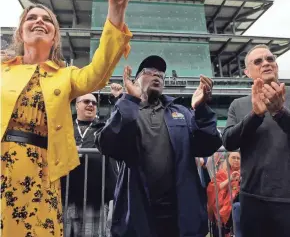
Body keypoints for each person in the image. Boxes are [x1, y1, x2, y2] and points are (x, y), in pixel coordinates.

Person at [1, 0, 138, 237]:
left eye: (47, 19)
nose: (39, 21)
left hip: (41, 173)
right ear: (20, 32)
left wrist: (117, 6)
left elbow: (98, 72)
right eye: (31, 18)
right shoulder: (2, 70)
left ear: (54, 37)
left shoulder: (65, 76)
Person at [95, 55, 222, 237]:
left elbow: (207, 145)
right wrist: (128, 101)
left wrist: (201, 111)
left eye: (161, 75)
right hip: (138, 209)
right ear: (136, 80)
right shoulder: (127, 110)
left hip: (179, 210)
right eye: (149, 72)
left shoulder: (181, 112)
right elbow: (107, 145)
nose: (156, 76)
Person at [222, 44, 290, 237]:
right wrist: (255, 115)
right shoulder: (239, 105)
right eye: (258, 61)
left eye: (270, 59)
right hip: (252, 199)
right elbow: (228, 142)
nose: (266, 63)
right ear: (247, 72)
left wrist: (280, 113)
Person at [62, 93, 118, 237]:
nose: (91, 105)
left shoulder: (104, 127)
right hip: (66, 195)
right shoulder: (65, 128)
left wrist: (117, 99)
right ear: (77, 105)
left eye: (94, 103)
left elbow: (121, 125)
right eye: (86, 101)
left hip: (95, 198)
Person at [207, 152, 241, 237]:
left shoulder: (245, 172)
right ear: (228, 159)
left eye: (238, 158)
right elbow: (214, 188)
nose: (236, 160)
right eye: (233, 157)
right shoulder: (222, 173)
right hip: (225, 204)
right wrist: (230, 179)